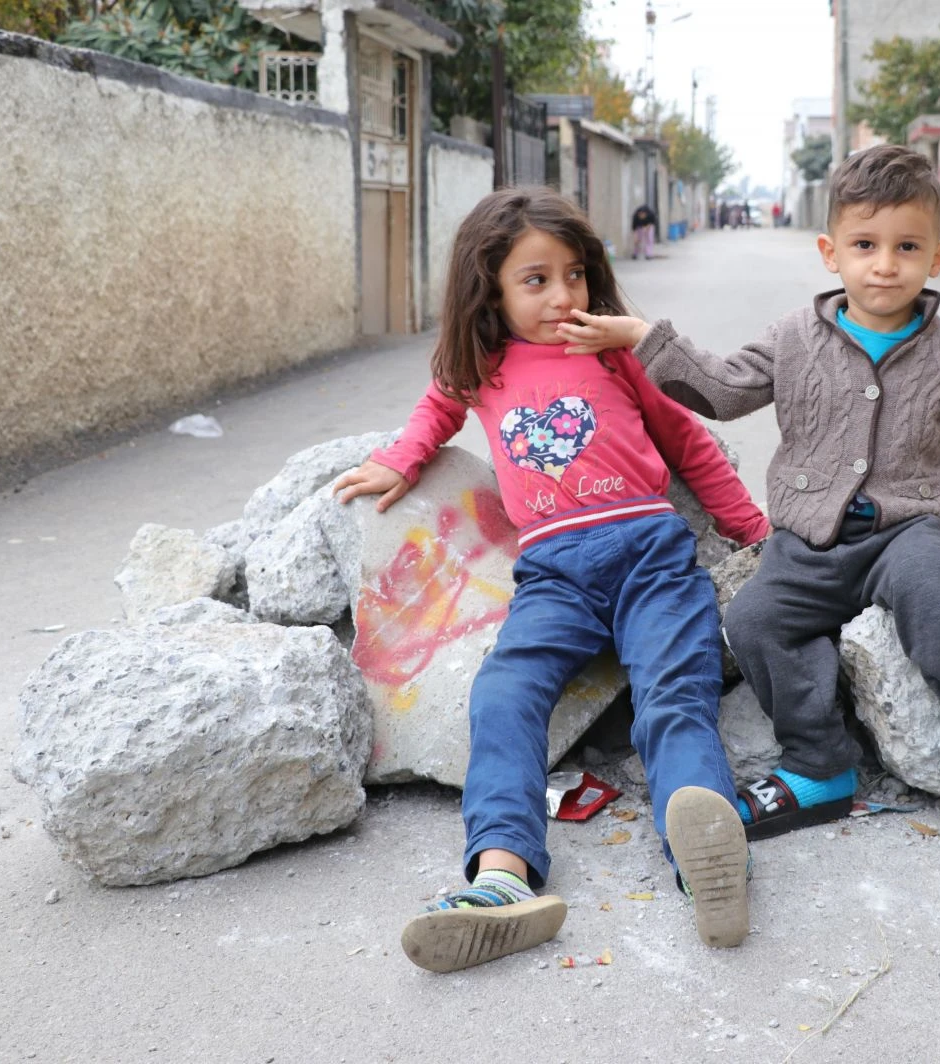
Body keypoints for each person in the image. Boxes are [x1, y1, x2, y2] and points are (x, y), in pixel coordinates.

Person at [557, 145, 940, 871]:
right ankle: (821, 765)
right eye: (864, 245)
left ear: (937, 257)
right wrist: (644, 338)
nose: (885, 264)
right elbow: (722, 391)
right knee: (756, 620)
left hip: (906, 527)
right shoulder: (794, 338)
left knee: (938, 593)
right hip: (809, 539)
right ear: (831, 252)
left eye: (906, 247)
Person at [333, 186, 766, 973]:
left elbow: (690, 446)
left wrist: (756, 532)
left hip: (652, 560)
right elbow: (434, 415)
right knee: (503, 695)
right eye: (536, 280)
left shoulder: (614, 351)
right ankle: (502, 875)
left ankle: (706, 853)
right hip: (554, 579)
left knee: (676, 694)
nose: (563, 295)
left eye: (574, 274)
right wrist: (398, 461)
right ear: (490, 289)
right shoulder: (481, 365)